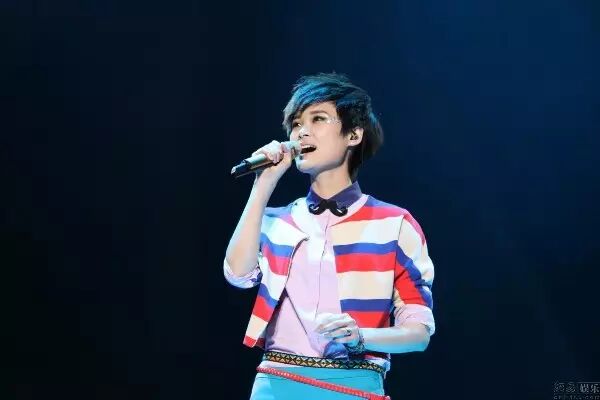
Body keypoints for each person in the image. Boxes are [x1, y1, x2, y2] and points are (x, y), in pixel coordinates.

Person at [224, 72, 435, 399]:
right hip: (277, 384)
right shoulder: (275, 221)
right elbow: (237, 275)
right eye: (296, 124)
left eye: (318, 119)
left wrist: (361, 336)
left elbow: (418, 333)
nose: (301, 131)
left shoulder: (395, 223)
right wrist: (263, 184)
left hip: (353, 385)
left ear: (353, 134)